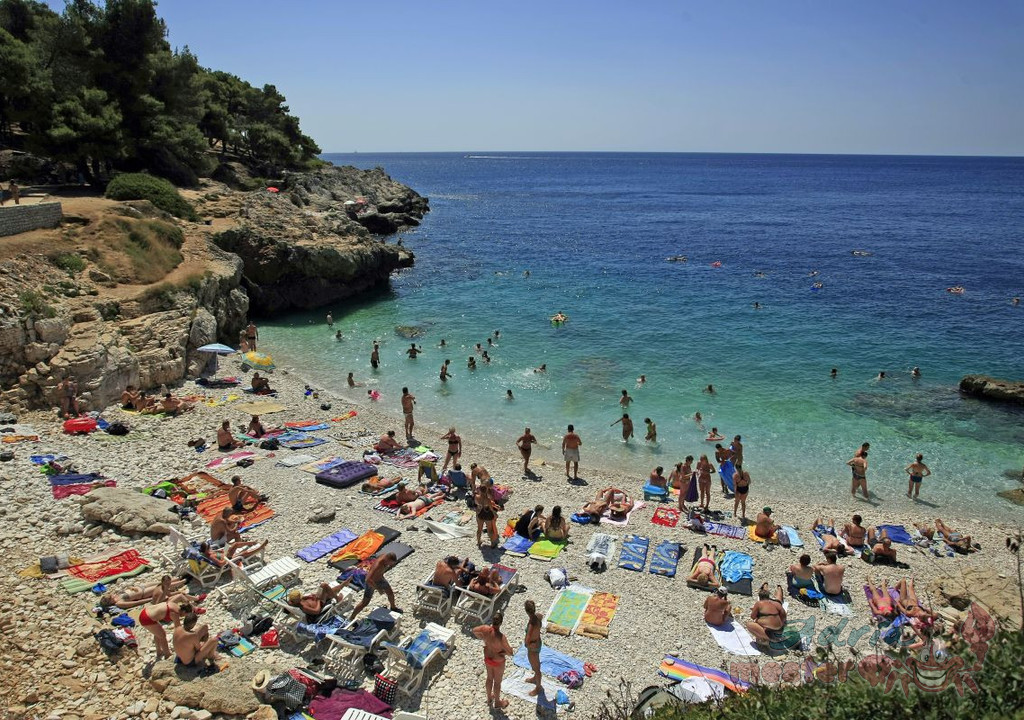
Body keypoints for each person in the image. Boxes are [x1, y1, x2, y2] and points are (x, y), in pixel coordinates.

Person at [472, 611, 514, 709]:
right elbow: (510, 653)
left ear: (492, 621)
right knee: (497, 682)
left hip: (488, 658)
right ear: (501, 623)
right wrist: (503, 652)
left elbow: (474, 630)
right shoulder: (501, 637)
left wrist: (483, 638)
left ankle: (489, 698)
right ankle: (498, 702)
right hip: (498, 661)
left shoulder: (485, 629)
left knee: (489, 678)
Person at [349, 553, 402, 620]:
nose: (390, 565)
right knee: (365, 602)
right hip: (371, 583)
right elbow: (367, 579)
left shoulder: (385, 557)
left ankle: (393, 607)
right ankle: (351, 617)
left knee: (390, 593)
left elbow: (382, 570)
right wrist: (378, 588)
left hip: (380, 578)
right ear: (387, 559)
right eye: (390, 563)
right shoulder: (378, 564)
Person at [524, 600, 543, 696]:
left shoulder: (531, 624)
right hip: (538, 642)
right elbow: (541, 616)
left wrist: (527, 645)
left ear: (526, 611)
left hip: (533, 647)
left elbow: (527, 640)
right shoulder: (538, 617)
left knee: (536, 668)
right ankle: (535, 678)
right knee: (537, 665)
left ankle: (538, 687)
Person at [475, 481, 499, 548]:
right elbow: (491, 508)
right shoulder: (487, 499)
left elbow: (476, 504)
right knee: (490, 529)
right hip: (487, 514)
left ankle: (478, 541)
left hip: (480, 513)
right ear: (486, 490)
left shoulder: (476, 497)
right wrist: (494, 514)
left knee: (479, 529)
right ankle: (492, 544)